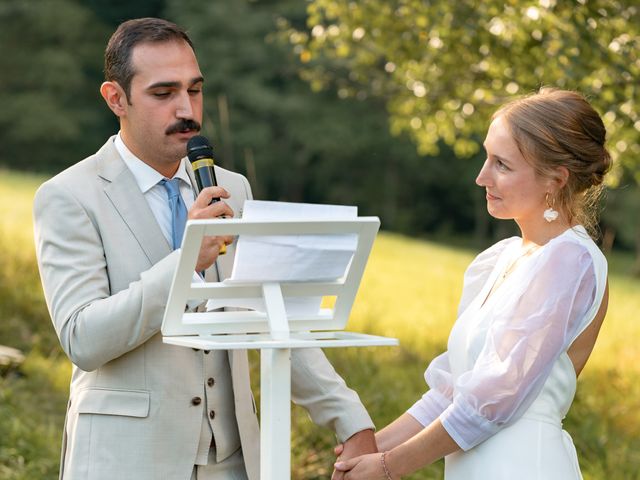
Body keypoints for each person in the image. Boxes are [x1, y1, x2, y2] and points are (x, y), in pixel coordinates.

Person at [33, 17, 376, 480]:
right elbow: (83, 339)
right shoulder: (70, 195)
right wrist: (186, 262)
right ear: (116, 98)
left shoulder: (231, 187)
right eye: (163, 93)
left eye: (194, 90)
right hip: (127, 460)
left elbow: (272, 314)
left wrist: (349, 419)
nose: (186, 109)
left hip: (233, 463)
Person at [334, 88, 611, 479]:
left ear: (555, 178)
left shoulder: (570, 261)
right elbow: (452, 392)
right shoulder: (500, 259)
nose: (482, 177)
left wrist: (388, 466)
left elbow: (494, 399)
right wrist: (372, 449)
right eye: (487, 157)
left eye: (502, 164)